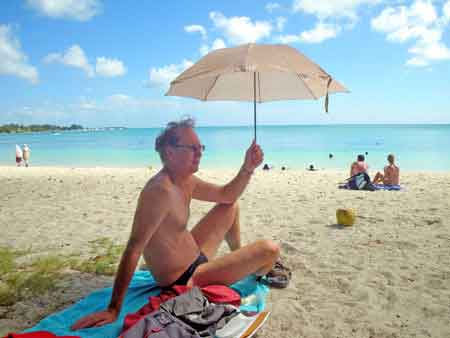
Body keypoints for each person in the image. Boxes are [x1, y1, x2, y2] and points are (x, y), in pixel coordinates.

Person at [71, 118, 280, 330]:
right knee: (270, 250)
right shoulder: (159, 191)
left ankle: (241, 257)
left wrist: (247, 168)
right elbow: (134, 248)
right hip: (185, 278)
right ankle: (256, 269)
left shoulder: (186, 180)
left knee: (230, 206)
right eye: (192, 148)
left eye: (201, 147)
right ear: (170, 152)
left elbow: (227, 194)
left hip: (196, 256)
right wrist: (113, 308)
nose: (200, 153)